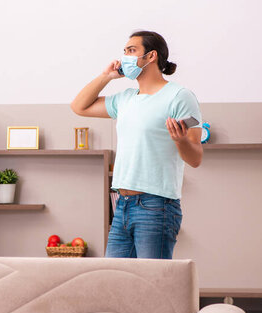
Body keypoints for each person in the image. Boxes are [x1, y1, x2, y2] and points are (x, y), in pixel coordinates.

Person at [70, 30, 203, 259]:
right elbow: (79, 107)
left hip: (156, 206)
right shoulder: (125, 99)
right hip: (122, 205)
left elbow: (195, 158)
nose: (125, 58)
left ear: (151, 56)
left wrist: (180, 140)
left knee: (153, 285)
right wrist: (106, 76)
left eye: (132, 51)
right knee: (116, 282)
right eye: (124, 52)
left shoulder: (179, 96)